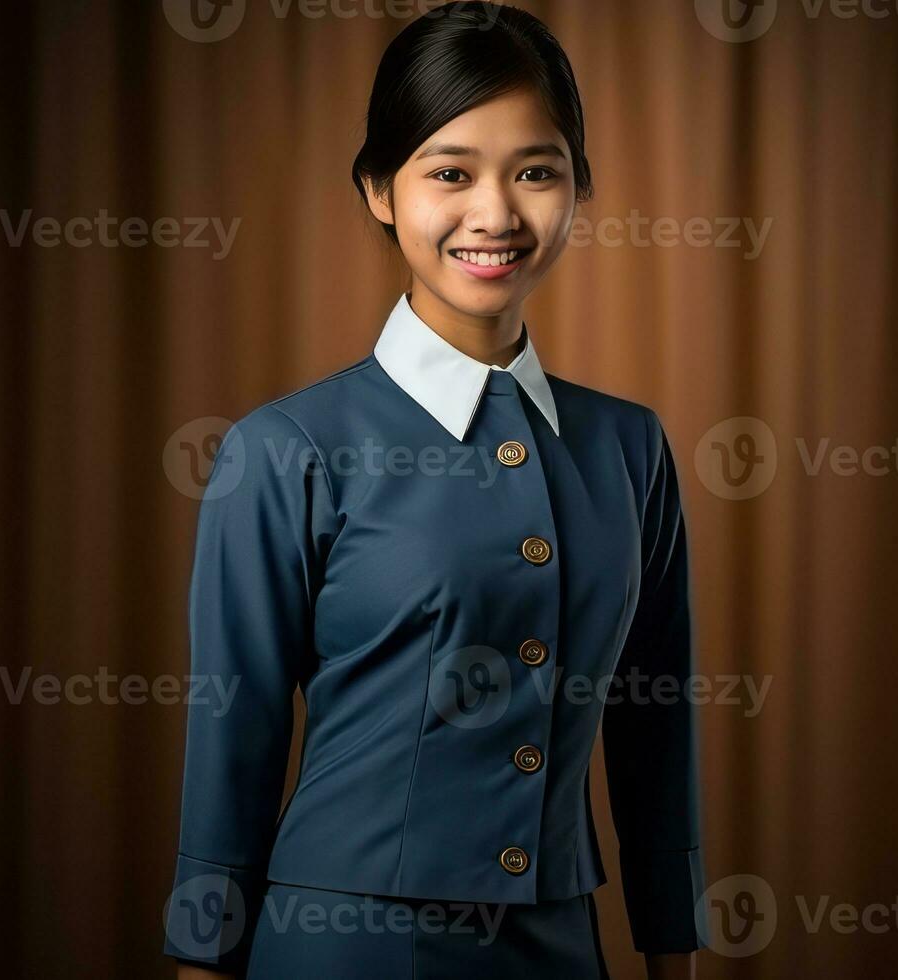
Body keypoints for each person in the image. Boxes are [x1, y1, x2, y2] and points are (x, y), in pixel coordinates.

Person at [164, 3, 706, 977]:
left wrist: (671, 943)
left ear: (578, 187)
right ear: (379, 188)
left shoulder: (628, 445)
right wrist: (202, 957)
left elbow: (655, 724)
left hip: (559, 942)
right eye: (449, 172)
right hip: (346, 945)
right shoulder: (285, 447)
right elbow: (231, 742)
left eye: (535, 171)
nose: (495, 214)